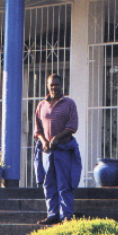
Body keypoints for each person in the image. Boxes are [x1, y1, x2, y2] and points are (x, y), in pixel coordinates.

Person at [34, 74, 82, 225]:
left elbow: (73, 126)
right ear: (47, 86)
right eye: (51, 85)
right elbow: (37, 129)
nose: (54, 87)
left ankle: (66, 216)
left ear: (62, 85)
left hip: (64, 150)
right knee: (49, 183)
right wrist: (43, 141)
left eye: (56, 84)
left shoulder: (69, 104)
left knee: (64, 183)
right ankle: (52, 214)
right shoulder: (42, 105)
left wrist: (58, 138)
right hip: (47, 152)